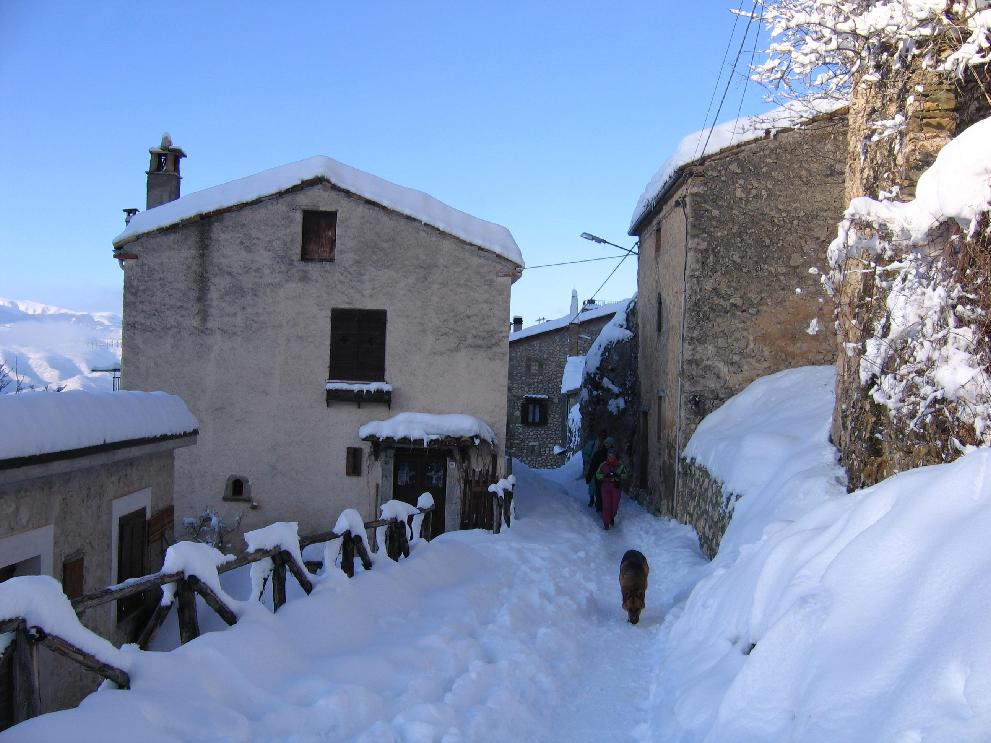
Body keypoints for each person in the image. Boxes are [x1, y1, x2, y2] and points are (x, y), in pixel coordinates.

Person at [596, 444, 628, 530]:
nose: (611, 457)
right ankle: (606, 523)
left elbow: (625, 475)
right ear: (607, 456)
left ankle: (611, 517)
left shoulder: (620, 465)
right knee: (606, 504)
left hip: (616, 487)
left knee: (614, 505)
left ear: (615, 456)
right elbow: (597, 475)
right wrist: (604, 476)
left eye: (612, 455)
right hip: (605, 486)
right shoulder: (603, 465)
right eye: (609, 455)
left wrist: (618, 475)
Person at [584, 431, 609, 510]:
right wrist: (588, 461)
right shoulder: (592, 444)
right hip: (594, 466)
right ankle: (592, 499)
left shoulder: (606, 445)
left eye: (604, 436)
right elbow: (585, 453)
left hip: (602, 468)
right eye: (601, 436)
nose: (602, 438)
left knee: (600, 486)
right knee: (592, 484)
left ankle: (599, 503)